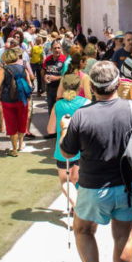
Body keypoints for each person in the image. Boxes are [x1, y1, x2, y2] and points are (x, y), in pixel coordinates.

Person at [60, 61, 132, 262]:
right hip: (129, 186)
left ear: (92, 88)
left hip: (93, 187)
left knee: (83, 230)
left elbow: (67, 153)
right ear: (117, 84)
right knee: (124, 236)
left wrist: (64, 129)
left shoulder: (81, 116)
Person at [47, 74, 90, 208]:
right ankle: (76, 206)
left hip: (63, 149)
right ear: (80, 87)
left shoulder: (58, 105)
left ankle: (76, 206)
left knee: (65, 182)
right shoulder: (86, 103)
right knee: (75, 178)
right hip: (82, 148)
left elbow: (50, 130)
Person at [0, 49, 32, 157]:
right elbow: (28, 82)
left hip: (8, 99)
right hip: (22, 99)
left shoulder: (3, 69)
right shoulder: (23, 68)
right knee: (22, 121)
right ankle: (20, 144)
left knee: (11, 124)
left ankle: (14, 149)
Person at [42, 40, 66, 113]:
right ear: (51, 49)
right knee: (51, 110)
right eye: (55, 48)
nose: (57, 50)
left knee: (60, 110)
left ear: (61, 49)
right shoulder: (48, 59)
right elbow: (43, 71)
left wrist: (56, 78)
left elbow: (68, 76)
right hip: (50, 89)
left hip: (61, 89)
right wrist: (44, 77)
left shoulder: (65, 60)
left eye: (58, 48)